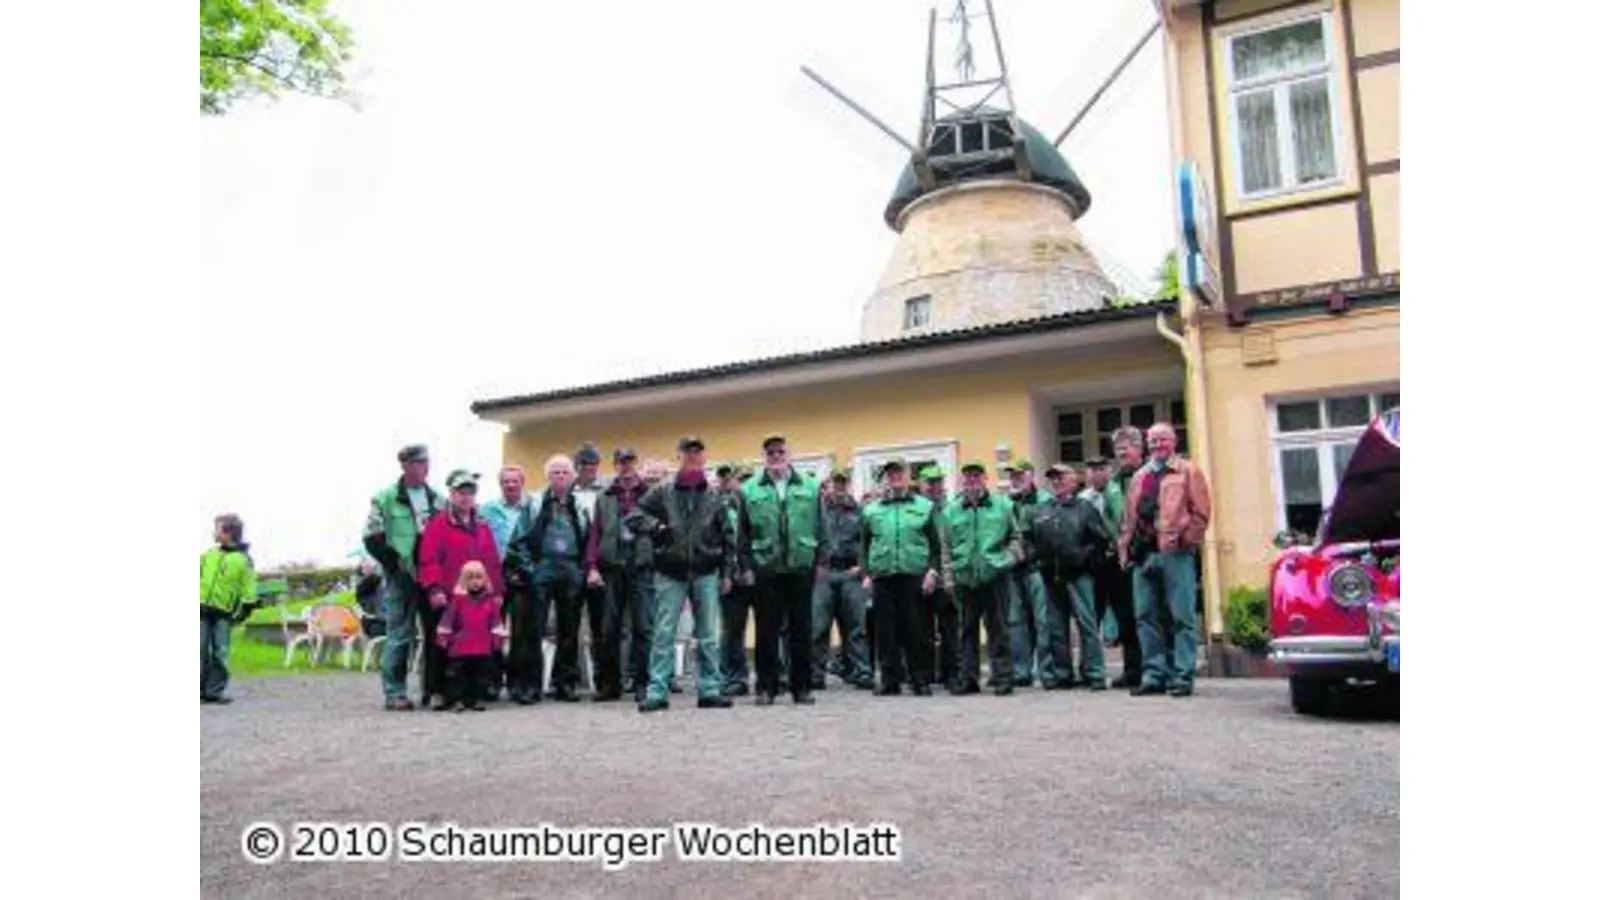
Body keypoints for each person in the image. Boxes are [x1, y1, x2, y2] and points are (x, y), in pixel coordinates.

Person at [625, 436, 735, 713]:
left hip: (706, 571)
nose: (693, 457)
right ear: (680, 456)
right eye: (688, 452)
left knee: (708, 634)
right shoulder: (662, 491)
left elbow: (728, 535)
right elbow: (633, 516)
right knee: (663, 633)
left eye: (698, 453)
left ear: (704, 458)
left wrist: (728, 572)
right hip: (669, 571)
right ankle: (657, 691)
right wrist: (657, 528)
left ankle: (710, 689)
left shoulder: (714, 495)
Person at [1118, 422, 1212, 698]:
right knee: (1145, 616)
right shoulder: (1140, 476)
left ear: (1174, 441)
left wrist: (1185, 541)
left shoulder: (1188, 471)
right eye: (1153, 440)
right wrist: (1125, 548)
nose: (1158, 445)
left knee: (1181, 617)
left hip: (1175, 553)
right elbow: (1128, 517)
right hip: (1143, 553)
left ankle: (1182, 675)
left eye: (1163, 440)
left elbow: (1201, 513)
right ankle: (1154, 674)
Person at [364, 443, 450, 711]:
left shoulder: (438, 498)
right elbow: (372, 537)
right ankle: (395, 692)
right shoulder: (384, 498)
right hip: (401, 576)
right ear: (405, 465)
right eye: (418, 463)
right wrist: (394, 565)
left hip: (432, 575)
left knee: (437, 634)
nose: (424, 468)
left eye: (426, 462)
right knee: (400, 634)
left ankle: (434, 690)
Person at [741, 434, 825, 706]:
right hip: (765, 567)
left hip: (801, 565)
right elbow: (742, 533)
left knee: (802, 628)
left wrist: (821, 561)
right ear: (764, 457)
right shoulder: (749, 489)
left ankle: (801, 687)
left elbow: (822, 526)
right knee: (767, 629)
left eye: (781, 452)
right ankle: (767, 687)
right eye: (771, 453)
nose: (776, 457)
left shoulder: (811, 487)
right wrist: (746, 566)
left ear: (790, 455)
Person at [416, 469, 505, 709]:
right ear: (451, 494)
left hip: (477, 598)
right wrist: (434, 589)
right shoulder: (437, 525)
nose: (466, 497)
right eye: (461, 492)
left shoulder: (482, 526)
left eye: (470, 492)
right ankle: (436, 690)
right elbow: (428, 559)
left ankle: (471, 692)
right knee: (440, 644)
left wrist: (497, 592)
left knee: (474, 645)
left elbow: (492, 562)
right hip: (447, 596)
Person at [860, 458, 943, 696]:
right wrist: (866, 573)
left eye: (899, 472)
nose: (895, 477)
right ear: (886, 478)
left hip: (913, 575)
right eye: (891, 473)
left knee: (916, 630)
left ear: (908, 476)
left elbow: (935, 546)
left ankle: (919, 678)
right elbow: (864, 545)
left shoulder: (924, 506)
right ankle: (890, 680)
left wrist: (932, 571)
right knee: (886, 631)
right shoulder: (871, 510)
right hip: (883, 577)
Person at [1028, 464, 1113, 690]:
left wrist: (1083, 558)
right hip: (1049, 576)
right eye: (1053, 478)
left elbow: (1101, 540)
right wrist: (1036, 560)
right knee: (1054, 626)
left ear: (1073, 480)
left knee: (1087, 624)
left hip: (1080, 576)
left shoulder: (1085, 509)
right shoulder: (1040, 510)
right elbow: (1028, 540)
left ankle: (1094, 673)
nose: (1056, 482)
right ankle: (1061, 673)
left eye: (1061, 477)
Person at [514, 455, 590, 702]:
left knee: (569, 629)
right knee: (533, 629)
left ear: (573, 476)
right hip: (542, 567)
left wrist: (583, 570)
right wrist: (529, 569)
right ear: (547, 475)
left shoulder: (581, 504)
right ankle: (531, 686)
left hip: (571, 568)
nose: (560, 476)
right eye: (555, 472)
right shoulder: (534, 503)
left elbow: (589, 537)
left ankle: (565, 684)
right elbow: (519, 538)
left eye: (565, 472)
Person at [943, 462, 1021, 696]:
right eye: (968, 477)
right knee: (966, 630)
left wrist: (1008, 559)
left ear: (985, 479)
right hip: (965, 577)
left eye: (977, 476)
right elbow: (946, 547)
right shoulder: (951, 511)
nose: (972, 481)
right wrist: (948, 577)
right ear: (962, 481)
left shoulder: (1003, 505)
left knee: (998, 628)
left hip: (995, 575)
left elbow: (1016, 537)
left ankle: (1003, 677)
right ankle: (968, 678)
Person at [584, 447, 653, 702]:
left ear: (636, 463)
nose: (626, 466)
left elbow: (661, 529)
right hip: (612, 567)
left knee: (643, 628)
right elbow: (595, 534)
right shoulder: (605, 496)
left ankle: (642, 684)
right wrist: (592, 566)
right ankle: (610, 685)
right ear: (615, 465)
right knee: (609, 630)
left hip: (641, 566)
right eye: (621, 462)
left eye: (630, 461)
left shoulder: (650, 493)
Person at [1005, 460, 1067, 689]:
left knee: (1043, 622)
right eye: (1012, 476)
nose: (1016, 480)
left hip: (1037, 569)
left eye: (1020, 475)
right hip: (1012, 570)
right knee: (1015, 622)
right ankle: (1021, 671)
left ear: (1032, 477)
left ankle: (1047, 671)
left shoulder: (1045, 501)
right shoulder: (1005, 504)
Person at [813, 467, 872, 690]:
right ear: (828, 485)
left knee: (856, 627)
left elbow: (868, 541)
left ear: (848, 484)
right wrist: (815, 565)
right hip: (824, 573)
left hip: (851, 573)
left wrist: (863, 568)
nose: (839, 487)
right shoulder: (818, 510)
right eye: (835, 482)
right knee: (818, 627)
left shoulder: (859, 511)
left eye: (843, 482)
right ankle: (815, 674)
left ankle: (861, 671)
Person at [480, 465, 534, 700]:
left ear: (522, 482)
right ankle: (491, 681)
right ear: (500, 484)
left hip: (524, 573)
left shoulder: (534, 507)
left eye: (514, 481)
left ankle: (517, 684)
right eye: (505, 481)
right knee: (493, 628)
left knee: (522, 631)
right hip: (495, 573)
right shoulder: (487, 509)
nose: (510, 485)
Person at [434, 561, 507, 712]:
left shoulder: (490, 602)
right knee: (457, 676)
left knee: (480, 676)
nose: (475, 582)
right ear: (463, 580)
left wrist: (498, 639)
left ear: (485, 579)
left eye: (478, 577)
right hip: (459, 647)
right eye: (470, 578)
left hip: (482, 647)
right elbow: (447, 620)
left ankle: (474, 699)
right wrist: (443, 636)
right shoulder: (457, 601)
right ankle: (455, 700)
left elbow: (495, 622)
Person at [200, 513, 257, 705]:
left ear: (228, 532)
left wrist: (245, 609)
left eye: (217, 528)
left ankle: (214, 691)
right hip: (201, 610)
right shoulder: (209, 555)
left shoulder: (243, 560)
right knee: (199, 649)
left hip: (224, 613)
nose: (214, 533)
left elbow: (249, 587)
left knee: (220, 652)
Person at [1107, 429, 1146, 687]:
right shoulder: (1113, 482)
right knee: (1125, 616)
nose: (1121, 453)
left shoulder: (1148, 475)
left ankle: (1155, 668)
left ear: (1139, 449)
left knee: (1149, 614)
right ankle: (1132, 669)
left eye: (1126, 448)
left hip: (1144, 551)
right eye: (1118, 449)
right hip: (1119, 557)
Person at [918, 465, 960, 691]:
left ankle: (951, 673)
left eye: (938, 482)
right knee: (922, 629)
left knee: (950, 629)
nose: (935, 487)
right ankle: (924, 673)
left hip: (946, 578)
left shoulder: (952, 510)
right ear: (921, 485)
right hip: (920, 578)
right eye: (929, 482)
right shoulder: (916, 510)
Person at [716, 462, 756, 697]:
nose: (742, 485)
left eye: (747, 479)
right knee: (732, 630)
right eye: (737, 479)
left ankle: (775, 675)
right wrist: (726, 573)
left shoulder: (761, 506)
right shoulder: (721, 507)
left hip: (759, 574)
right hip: (732, 576)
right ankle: (735, 677)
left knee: (771, 626)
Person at [1079, 456, 1124, 647]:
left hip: (1117, 557)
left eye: (1101, 469)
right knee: (1093, 609)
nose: (1096, 474)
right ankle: (1093, 661)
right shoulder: (1083, 499)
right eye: (1092, 470)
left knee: (1122, 608)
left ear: (1109, 472)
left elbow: (1122, 522)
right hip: (1093, 561)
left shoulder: (1117, 492)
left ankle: (1118, 641)